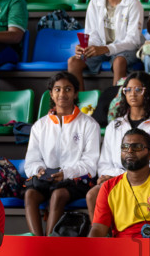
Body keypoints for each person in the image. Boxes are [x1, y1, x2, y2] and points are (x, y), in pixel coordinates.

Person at [22, 71, 100, 236]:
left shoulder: (89, 124)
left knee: (58, 195)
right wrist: (39, 171)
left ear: (75, 93)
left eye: (67, 89)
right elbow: (32, 160)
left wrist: (65, 173)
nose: (62, 94)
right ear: (51, 94)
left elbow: (90, 164)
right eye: (57, 89)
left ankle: (50, 243)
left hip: (76, 180)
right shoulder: (40, 125)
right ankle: (38, 242)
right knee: (30, 195)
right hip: (47, 179)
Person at [73, 0, 144, 86]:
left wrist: (106, 49)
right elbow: (92, 34)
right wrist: (86, 47)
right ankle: (79, 102)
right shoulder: (94, 3)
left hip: (125, 50)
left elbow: (133, 41)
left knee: (119, 61)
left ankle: (117, 103)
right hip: (102, 48)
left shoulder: (133, 4)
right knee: (73, 62)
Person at [98, 72, 150, 180]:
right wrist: (117, 177)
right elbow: (103, 165)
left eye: (138, 90)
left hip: (145, 181)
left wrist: (124, 177)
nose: (132, 94)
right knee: (92, 194)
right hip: (114, 179)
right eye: (128, 90)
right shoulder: (114, 125)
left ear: (148, 92)